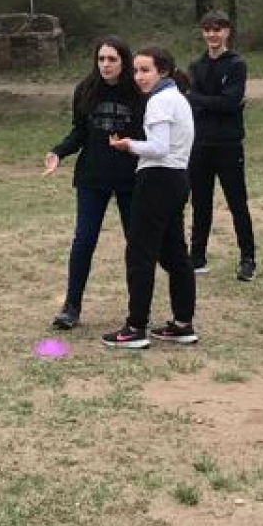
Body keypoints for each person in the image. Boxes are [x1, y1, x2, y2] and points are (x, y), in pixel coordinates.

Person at [100, 47, 198, 349]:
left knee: (140, 253)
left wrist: (129, 145)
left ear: (163, 71)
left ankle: (135, 327)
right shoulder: (179, 98)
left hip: (157, 178)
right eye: (136, 71)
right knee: (174, 253)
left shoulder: (159, 101)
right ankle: (182, 323)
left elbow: (159, 147)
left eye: (146, 70)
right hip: (179, 178)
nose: (139, 77)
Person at [44, 37, 141, 331]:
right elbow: (79, 133)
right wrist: (58, 152)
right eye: (101, 59)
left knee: (135, 243)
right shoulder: (86, 90)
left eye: (112, 59)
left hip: (130, 178)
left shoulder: (138, 92)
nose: (106, 65)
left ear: (123, 61)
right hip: (92, 177)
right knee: (84, 240)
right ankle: (71, 306)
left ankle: (137, 309)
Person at [183, 11, 258, 282]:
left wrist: (200, 99)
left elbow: (229, 102)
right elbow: (194, 102)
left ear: (227, 32)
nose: (212, 34)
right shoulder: (196, 65)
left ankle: (247, 258)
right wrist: (212, 101)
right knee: (200, 203)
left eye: (218, 29)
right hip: (200, 144)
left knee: (237, 202)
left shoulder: (236, 64)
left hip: (228, 144)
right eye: (207, 30)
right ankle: (197, 256)